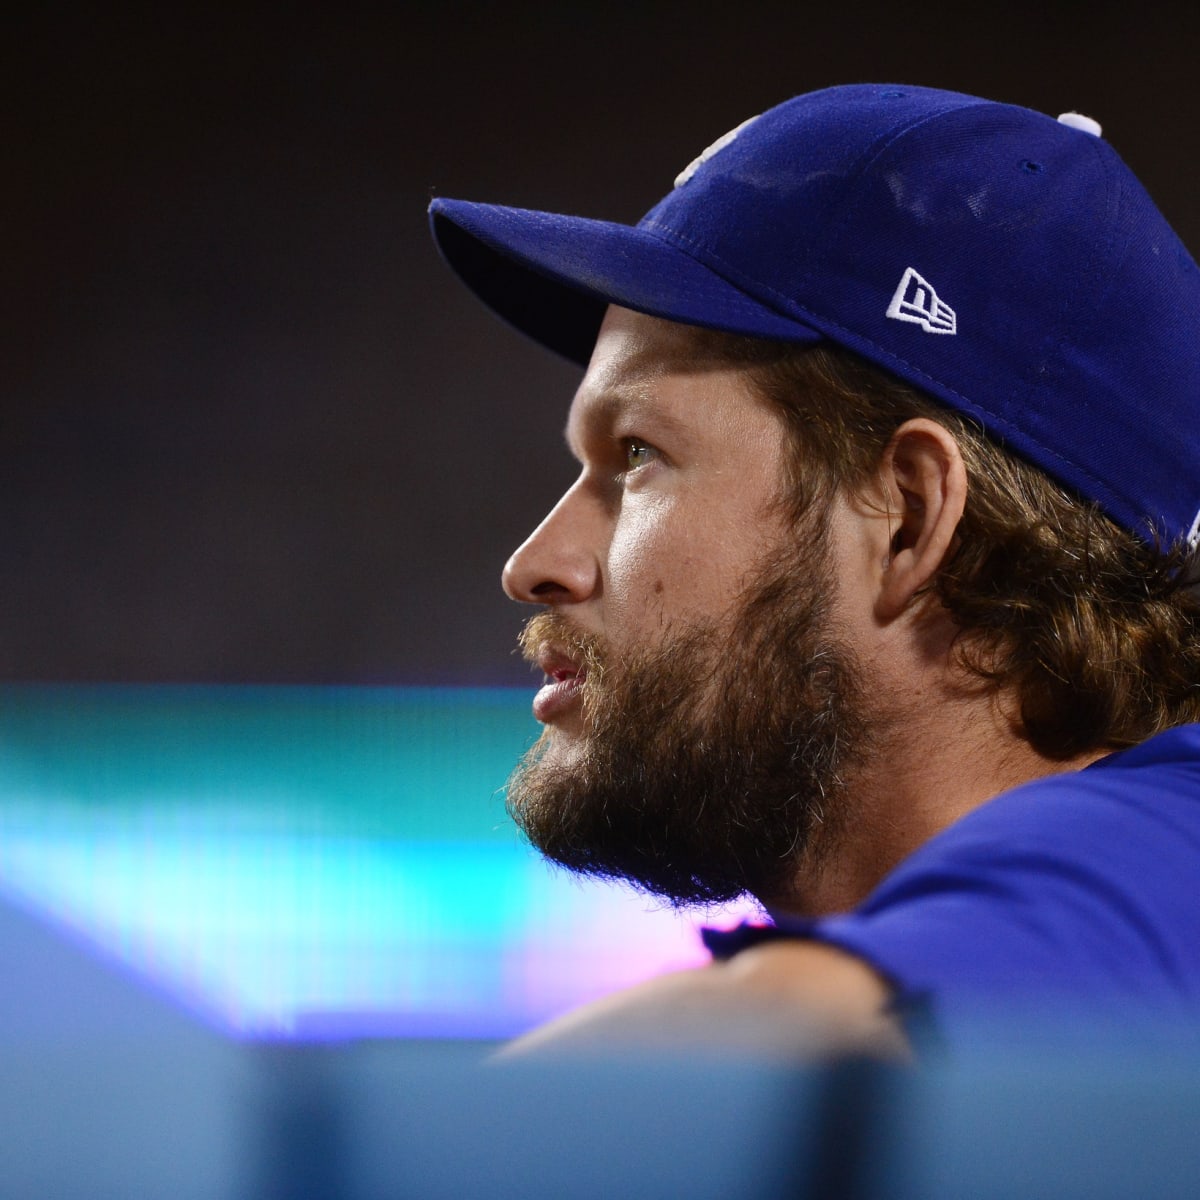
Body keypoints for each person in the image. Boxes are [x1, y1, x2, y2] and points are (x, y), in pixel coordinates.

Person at [428, 84, 1200, 1057]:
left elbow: (808, 1037)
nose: (534, 566)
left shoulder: (1170, 871)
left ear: (911, 518)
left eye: (635, 457)